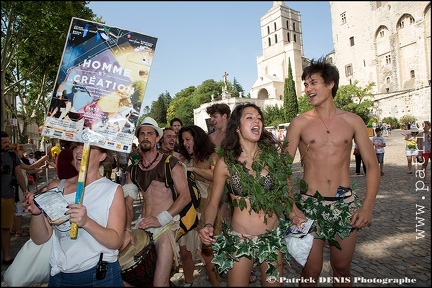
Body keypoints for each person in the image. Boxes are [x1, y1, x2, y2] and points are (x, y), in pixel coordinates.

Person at [285, 60, 380, 286]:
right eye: (306, 84)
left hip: (344, 204)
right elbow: (282, 169)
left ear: (330, 84)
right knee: (311, 270)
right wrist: (292, 208)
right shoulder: (299, 123)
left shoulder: (353, 120)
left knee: (342, 268)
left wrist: (367, 206)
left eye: (313, 83)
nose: (308, 89)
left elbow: (372, 165)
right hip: (308, 205)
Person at [199, 103, 302, 286]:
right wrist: (207, 225)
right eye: (250, 117)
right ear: (237, 127)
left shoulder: (274, 160)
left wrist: (294, 215)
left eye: (259, 118)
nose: (257, 121)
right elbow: (213, 203)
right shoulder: (226, 163)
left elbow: (286, 194)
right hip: (240, 240)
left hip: (271, 238)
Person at [22, 142, 126, 286]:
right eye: (77, 146)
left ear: (102, 156)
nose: (79, 150)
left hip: (100, 277)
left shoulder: (112, 190)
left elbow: (115, 241)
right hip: (59, 277)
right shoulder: (56, 187)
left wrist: (86, 222)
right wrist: (36, 214)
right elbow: (40, 238)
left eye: (88, 146)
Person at [123, 116, 190, 287]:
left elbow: (185, 196)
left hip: (166, 226)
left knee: (159, 283)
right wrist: (125, 229)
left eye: (150, 134)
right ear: (138, 138)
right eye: (142, 134)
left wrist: (161, 219)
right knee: (126, 279)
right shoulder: (133, 170)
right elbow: (128, 205)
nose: (146, 137)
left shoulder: (170, 163)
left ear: (157, 138)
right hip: (142, 225)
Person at [177, 125, 221, 287]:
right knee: (185, 253)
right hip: (188, 214)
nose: (185, 143)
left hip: (207, 214)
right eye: (183, 140)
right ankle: (188, 283)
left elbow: (217, 175)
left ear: (198, 139)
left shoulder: (212, 157)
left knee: (208, 256)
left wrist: (193, 169)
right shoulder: (184, 160)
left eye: (188, 139)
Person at [1, 131, 31, 265]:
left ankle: (6, 255)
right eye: (4, 142)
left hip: (7, 197)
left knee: (6, 228)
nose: (7, 145)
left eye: (7, 142)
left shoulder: (12, 156)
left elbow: (18, 174)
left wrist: (25, 190)